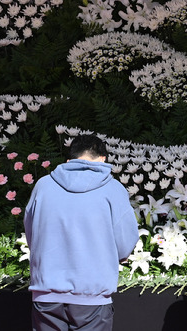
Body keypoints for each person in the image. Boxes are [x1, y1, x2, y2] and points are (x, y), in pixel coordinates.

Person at [24, 134, 139, 331]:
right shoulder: (113, 189)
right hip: (92, 296)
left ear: (70, 160)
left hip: (46, 294)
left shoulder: (43, 186)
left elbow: (31, 232)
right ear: (103, 159)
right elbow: (125, 243)